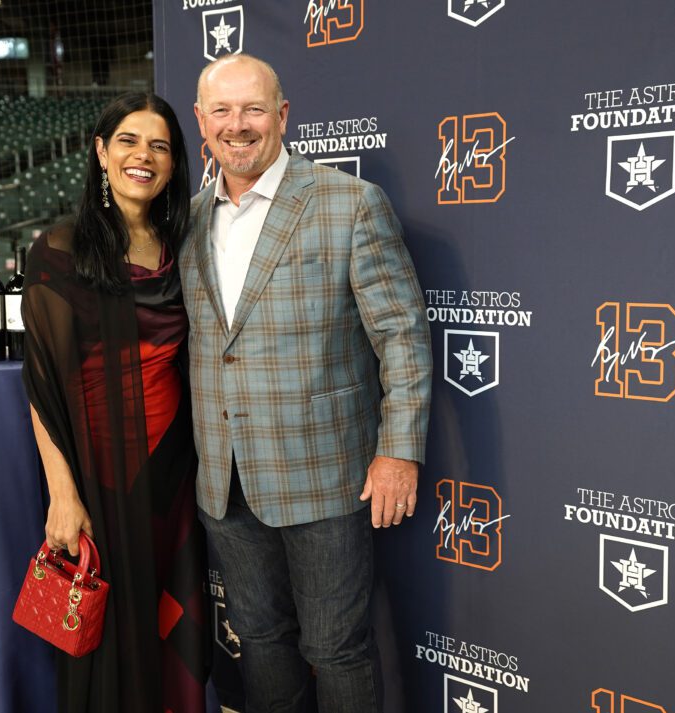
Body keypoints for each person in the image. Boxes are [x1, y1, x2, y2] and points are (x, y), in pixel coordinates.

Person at [180, 54, 432, 712]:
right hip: (224, 480)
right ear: (201, 121)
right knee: (261, 639)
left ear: (283, 116)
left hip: (324, 476)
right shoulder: (190, 219)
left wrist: (399, 448)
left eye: (254, 109)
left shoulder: (348, 204)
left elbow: (400, 333)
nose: (239, 125)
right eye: (223, 111)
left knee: (335, 647)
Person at [22, 92, 205, 713]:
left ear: (175, 163)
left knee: (171, 624)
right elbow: (42, 389)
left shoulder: (185, 245)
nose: (143, 156)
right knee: (110, 637)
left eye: (159, 145)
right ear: (101, 152)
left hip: (176, 474)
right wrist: (63, 495)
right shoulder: (58, 251)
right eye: (128, 141)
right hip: (103, 476)